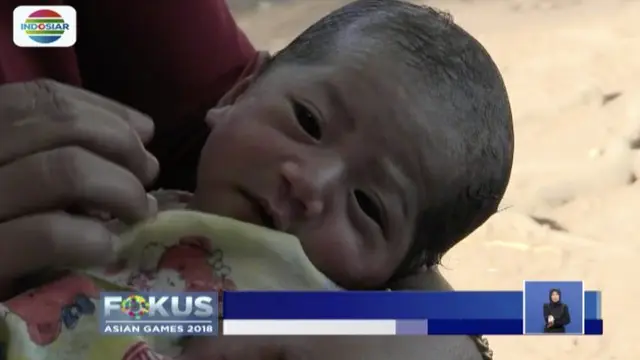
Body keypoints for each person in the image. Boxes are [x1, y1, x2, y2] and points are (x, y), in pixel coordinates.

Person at [0, 0, 511, 358]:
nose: (309, 183)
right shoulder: (130, 214)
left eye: (368, 205)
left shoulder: (309, 312)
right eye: (307, 122)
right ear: (237, 96)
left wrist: (435, 333)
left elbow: (556, 311)